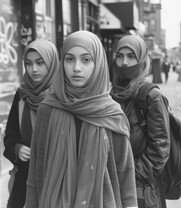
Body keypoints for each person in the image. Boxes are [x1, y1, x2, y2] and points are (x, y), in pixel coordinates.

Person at [25, 30, 138, 208]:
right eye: (70, 59)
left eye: (86, 60)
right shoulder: (47, 108)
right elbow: (36, 166)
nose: (76, 68)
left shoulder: (111, 113)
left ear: (98, 63)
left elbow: (125, 172)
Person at [110, 35, 170, 208]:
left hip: (140, 189)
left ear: (142, 60)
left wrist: (132, 174)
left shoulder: (151, 96)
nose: (124, 62)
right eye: (120, 56)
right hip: (113, 184)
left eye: (131, 56)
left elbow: (160, 148)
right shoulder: (110, 93)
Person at [3, 39, 59, 208]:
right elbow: (10, 136)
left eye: (40, 63)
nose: (34, 69)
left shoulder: (62, 96)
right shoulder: (22, 94)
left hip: (56, 178)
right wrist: (17, 148)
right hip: (26, 179)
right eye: (28, 63)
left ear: (51, 63)